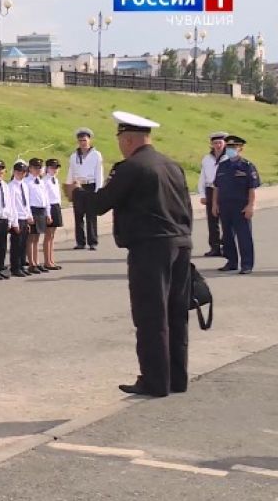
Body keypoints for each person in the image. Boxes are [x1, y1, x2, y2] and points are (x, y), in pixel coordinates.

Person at [66, 110, 193, 398]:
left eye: (121, 139)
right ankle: (176, 378)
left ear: (128, 140)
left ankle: (155, 381)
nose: (120, 145)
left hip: (150, 248)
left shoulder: (132, 167)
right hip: (181, 244)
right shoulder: (172, 165)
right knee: (176, 313)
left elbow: (100, 204)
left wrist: (75, 194)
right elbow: (185, 207)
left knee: (151, 315)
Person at [213, 135, 259, 275]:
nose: (231, 150)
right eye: (229, 147)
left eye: (234, 147)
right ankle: (231, 262)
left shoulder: (247, 166)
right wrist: (214, 204)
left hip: (241, 206)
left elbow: (252, 188)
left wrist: (250, 205)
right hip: (225, 206)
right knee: (227, 236)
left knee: (243, 236)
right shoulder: (222, 165)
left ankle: (246, 264)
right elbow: (216, 187)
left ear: (241, 148)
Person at [66, 127, 105, 250]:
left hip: (91, 185)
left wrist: (98, 190)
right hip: (78, 185)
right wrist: (69, 187)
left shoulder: (96, 155)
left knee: (91, 215)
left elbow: (99, 172)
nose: (82, 142)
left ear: (89, 140)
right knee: (78, 215)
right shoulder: (74, 156)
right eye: (80, 140)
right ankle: (80, 242)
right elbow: (71, 171)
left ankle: (92, 241)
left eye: (84, 140)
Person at [198, 132, 228, 257]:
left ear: (224, 143)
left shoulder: (228, 158)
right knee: (212, 220)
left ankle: (226, 246)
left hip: (225, 190)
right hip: (210, 189)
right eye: (215, 143)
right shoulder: (207, 159)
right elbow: (202, 177)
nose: (218, 145)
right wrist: (202, 194)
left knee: (226, 220)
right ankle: (214, 247)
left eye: (220, 142)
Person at [24, 158, 52, 273]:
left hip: (41, 211)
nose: (37, 170)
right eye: (35, 167)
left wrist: (48, 213)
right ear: (30, 168)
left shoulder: (40, 181)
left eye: (39, 168)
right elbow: (26, 200)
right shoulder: (27, 182)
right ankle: (31, 263)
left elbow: (46, 198)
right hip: (33, 210)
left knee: (37, 238)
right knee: (31, 238)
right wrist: (29, 215)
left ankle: (37, 261)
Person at [8, 161, 34, 277]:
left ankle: (21, 266)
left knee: (23, 244)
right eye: (19, 172)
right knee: (16, 244)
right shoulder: (11, 186)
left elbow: (26, 203)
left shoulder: (24, 185)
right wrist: (14, 222)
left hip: (24, 217)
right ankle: (15, 267)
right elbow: (12, 205)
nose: (21, 174)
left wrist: (29, 216)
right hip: (16, 218)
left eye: (23, 172)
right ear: (14, 172)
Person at [42, 158, 64, 270]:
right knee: (48, 235)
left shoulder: (55, 179)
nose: (55, 170)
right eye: (52, 168)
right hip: (50, 207)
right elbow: (46, 198)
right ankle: (47, 261)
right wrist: (48, 213)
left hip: (56, 206)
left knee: (52, 235)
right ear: (47, 168)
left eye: (56, 168)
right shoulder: (45, 180)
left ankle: (51, 259)